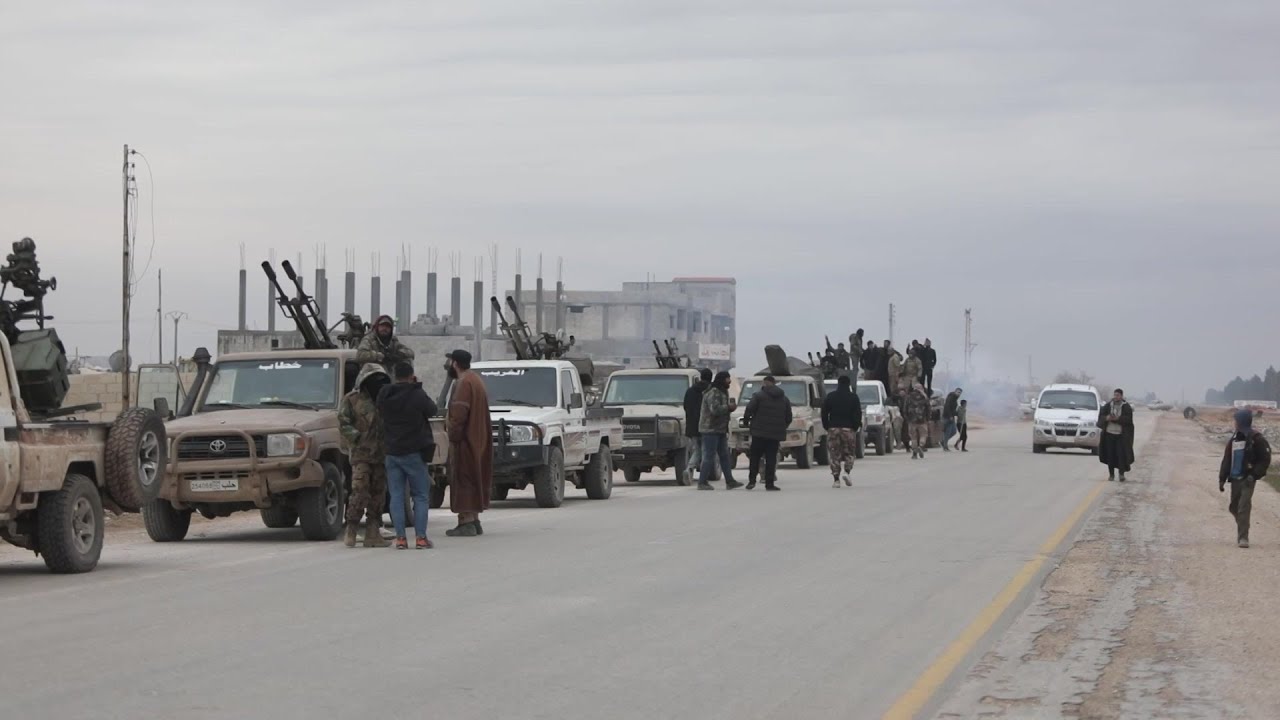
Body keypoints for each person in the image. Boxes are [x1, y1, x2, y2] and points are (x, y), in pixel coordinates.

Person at [377, 362, 438, 549]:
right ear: (412, 375)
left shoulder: (385, 394)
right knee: (420, 495)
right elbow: (433, 410)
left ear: (395, 376)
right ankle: (420, 538)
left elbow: (379, 409)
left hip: (392, 452)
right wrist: (417, 386)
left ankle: (401, 539)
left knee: (395, 495)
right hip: (414, 453)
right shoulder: (417, 394)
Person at [338, 363, 392, 548]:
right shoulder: (352, 400)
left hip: (381, 454)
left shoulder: (385, 398)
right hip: (361, 454)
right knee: (359, 490)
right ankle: (351, 530)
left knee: (378, 494)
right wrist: (357, 437)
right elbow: (343, 422)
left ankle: (372, 532)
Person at [443, 350, 493, 535]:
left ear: (455, 363)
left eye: (450, 361)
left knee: (463, 479)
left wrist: (453, 437)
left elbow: (458, 416)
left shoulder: (463, 383)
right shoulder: (476, 380)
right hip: (477, 439)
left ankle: (466, 522)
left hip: (465, 442)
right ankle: (474, 520)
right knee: (473, 478)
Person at [1219, 408, 1272, 548]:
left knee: (1243, 507)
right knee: (1234, 507)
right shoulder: (1234, 438)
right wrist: (1222, 478)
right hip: (1235, 479)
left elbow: (1265, 459)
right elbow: (1227, 459)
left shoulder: (1256, 439)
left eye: (1236, 420)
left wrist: (1254, 475)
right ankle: (1243, 524)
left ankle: (1243, 537)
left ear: (1241, 421)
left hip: (1248, 479)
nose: (1234, 423)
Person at [742, 375, 791, 491]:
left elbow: (749, 409)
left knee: (755, 458)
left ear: (764, 383)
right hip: (774, 435)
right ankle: (769, 484)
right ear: (774, 383)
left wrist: (746, 422)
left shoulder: (758, 396)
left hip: (759, 433)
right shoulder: (784, 398)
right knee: (771, 459)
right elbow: (788, 417)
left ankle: (751, 481)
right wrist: (781, 427)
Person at [698, 371, 740, 491]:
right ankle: (702, 482)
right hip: (710, 429)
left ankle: (730, 481)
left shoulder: (722, 391)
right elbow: (714, 410)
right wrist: (728, 407)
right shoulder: (714, 392)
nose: (729, 381)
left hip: (720, 429)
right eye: (727, 379)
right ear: (722, 380)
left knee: (724, 456)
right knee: (709, 456)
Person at [821, 375, 862, 487]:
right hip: (848, 429)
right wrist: (855, 426)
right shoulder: (853, 397)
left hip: (833, 428)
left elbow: (824, 413)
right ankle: (847, 472)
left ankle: (836, 479)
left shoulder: (831, 396)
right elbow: (858, 414)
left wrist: (827, 426)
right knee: (849, 453)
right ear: (848, 384)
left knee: (834, 453)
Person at [1097, 389, 1134, 482]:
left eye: (1118, 395)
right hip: (1109, 434)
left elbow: (1129, 420)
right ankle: (1111, 475)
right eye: (1115, 395)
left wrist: (1118, 419)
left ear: (1121, 396)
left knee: (1121, 455)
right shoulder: (1108, 405)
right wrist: (1107, 418)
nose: (1116, 397)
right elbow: (1101, 416)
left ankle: (1121, 474)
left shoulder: (1126, 407)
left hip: (1121, 435)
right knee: (1110, 455)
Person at [683, 369, 713, 480]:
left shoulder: (690, 391)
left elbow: (685, 406)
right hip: (707, 426)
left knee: (697, 449)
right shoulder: (711, 391)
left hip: (692, 426)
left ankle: (689, 468)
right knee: (707, 451)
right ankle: (704, 476)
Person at [904, 384, 932, 459]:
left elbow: (905, 408)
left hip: (912, 420)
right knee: (923, 435)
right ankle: (921, 446)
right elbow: (928, 408)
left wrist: (907, 418)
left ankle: (914, 453)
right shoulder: (924, 397)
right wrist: (928, 419)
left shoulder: (909, 396)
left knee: (913, 437)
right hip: (922, 420)